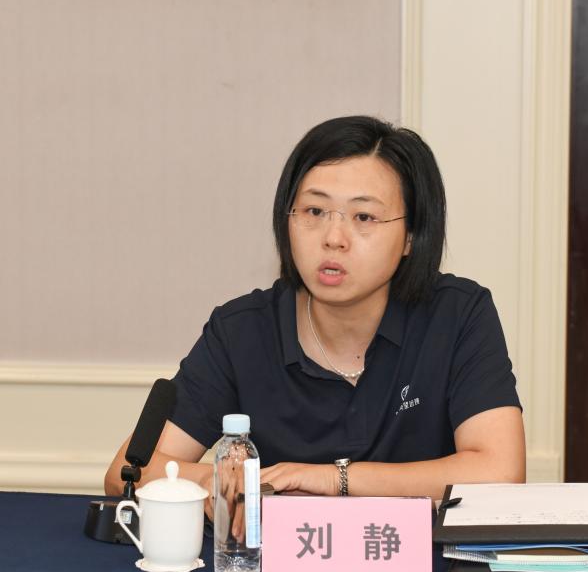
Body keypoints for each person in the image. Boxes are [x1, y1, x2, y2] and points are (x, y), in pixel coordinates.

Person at [105, 116, 525, 512]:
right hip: (281, 564)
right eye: (314, 211)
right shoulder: (243, 331)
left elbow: (501, 473)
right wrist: (223, 482)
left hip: (417, 562)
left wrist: (332, 479)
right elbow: (129, 472)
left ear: (411, 237)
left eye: (364, 216)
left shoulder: (457, 315)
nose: (333, 238)